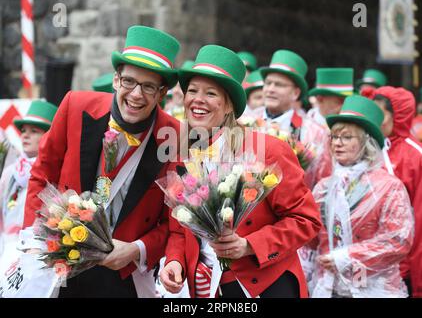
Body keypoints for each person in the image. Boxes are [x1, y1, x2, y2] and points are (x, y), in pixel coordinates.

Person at [22, 25, 181, 298]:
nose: (136, 94)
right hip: (62, 261)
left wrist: (137, 249)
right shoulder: (75, 105)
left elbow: (176, 219)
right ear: (116, 80)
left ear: (162, 93)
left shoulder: (175, 136)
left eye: (148, 86)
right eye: (129, 81)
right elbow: (42, 174)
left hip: (123, 273)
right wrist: (34, 237)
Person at [159, 44, 321, 298]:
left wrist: (249, 246)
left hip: (264, 286)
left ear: (228, 106)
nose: (198, 100)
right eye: (192, 91)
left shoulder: (268, 150)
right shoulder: (179, 155)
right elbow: (179, 229)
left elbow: (306, 221)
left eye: (211, 93)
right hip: (202, 287)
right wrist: (174, 261)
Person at [309, 95, 414, 298]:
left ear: (367, 142)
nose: (337, 143)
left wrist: (347, 256)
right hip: (329, 288)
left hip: (375, 290)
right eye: (334, 137)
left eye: (347, 137)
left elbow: (399, 241)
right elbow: (312, 240)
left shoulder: (388, 187)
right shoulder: (323, 187)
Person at [362, 86, 422, 297]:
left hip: (399, 267)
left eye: (380, 113)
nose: (373, 119)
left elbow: (418, 219)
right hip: (363, 263)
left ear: (396, 115)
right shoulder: (365, 149)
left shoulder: (414, 156)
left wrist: (409, 271)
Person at [260, 50, 332, 189]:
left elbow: (323, 181)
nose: (270, 89)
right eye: (268, 83)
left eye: (279, 85)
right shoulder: (245, 122)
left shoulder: (314, 132)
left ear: (295, 93)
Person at [0, 100, 57, 273]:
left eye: (34, 131)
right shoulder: (12, 170)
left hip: (38, 249)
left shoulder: (55, 171)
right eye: (23, 130)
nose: (25, 135)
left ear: (49, 136)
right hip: (8, 247)